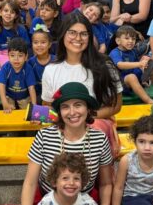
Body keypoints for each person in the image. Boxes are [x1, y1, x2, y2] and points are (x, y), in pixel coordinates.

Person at [11, 82, 121, 205]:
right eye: (65, 107)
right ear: (59, 112)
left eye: (78, 105)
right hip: (48, 202)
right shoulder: (44, 136)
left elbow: (106, 183)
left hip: (84, 203)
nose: (72, 112)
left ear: (88, 108)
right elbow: (30, 183)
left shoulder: (100, 139)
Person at [41, 13, 123, 158]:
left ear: (89, 37)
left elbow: (116, 105)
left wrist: (85, 118)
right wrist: (41, 115)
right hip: (64, 129)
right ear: (63, 35)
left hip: (96, 129)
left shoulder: (105, 65)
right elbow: (48, 106)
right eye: (72, 33)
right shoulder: (51, 70)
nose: (78, 38)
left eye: (83, 34)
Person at [110, 26, 153, 104]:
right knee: (131, 77)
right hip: (120, 83)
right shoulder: (115, 52)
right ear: (118, 41)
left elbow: (136, 65)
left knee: (148, 61)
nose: (131, 41)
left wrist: (143, 61)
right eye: (127, 38)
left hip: (131, 79)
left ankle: (142, 81)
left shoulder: (133, 51)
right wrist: (139, 64)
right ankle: (148, 101)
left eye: (133, 39)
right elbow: (120, 65)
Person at [0, 38, 37, 113]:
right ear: (8, 56)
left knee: (26, 112)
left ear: (26, 57)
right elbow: (1, 86)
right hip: (9, 96)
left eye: (20, 55)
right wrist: (5, 103)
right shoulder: (6, 67)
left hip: (24, 96)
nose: (16, 59)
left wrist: (34, 106)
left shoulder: (28, 69)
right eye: (12, 55)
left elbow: (31, 88)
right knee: (9, 111)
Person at [0, 0, 29, 67]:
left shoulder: (21, 30)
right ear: (0, 12)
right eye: (6, 11)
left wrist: (24, 62)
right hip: (1, 55)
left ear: (16, 15)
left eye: (12, 12)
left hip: (17, 55)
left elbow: (25, 48)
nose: (8, 14)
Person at [27, 26, 55, 104]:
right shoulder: (30, 62)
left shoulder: (56, 61)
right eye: (35, 42)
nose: (39, 45)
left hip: (53, 95)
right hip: (36, 95)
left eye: (43, 42)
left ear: (49, 44)